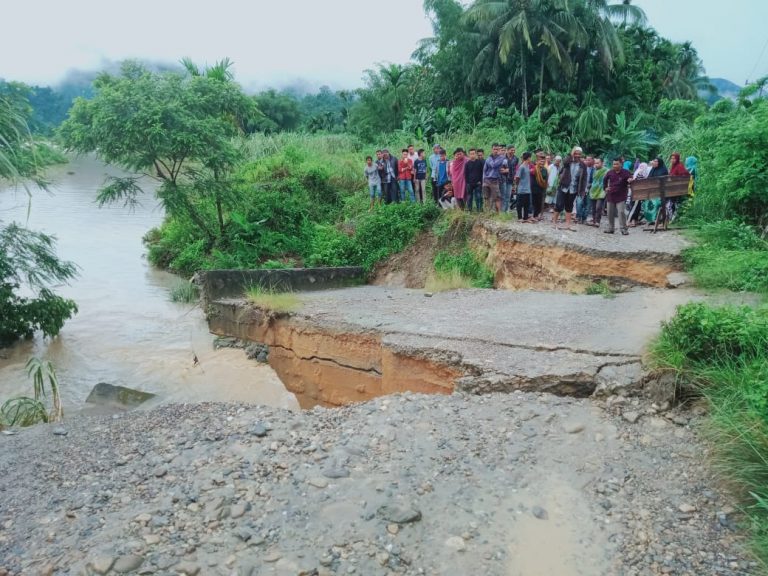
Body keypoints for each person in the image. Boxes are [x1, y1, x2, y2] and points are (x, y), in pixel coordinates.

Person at [553, 147, 587, 231]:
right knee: (559, 205)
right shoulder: (568, 162)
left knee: (569, 205)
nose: (577, 155)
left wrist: (582, 191)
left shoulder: (582, 165)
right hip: (563, 186)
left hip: (574, 188)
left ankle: (568, 224)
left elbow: (584, 179)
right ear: (573, 153)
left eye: (579, 154)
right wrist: (571, 155)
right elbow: (564, 162)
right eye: (575, 153)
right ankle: (554, 222)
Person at [603, 157, 633, 235]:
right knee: (610, 213)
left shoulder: (626, 172)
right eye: (614, 164)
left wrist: (630, 180)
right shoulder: (610, 172)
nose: (615, 165)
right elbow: (605, 180)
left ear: (621, 164)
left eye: (617, 164)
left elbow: (630, 178)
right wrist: (605, 188)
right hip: (611, 195)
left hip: (621, 196)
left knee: (621, 212)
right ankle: (610, 228)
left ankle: (623, 229)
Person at [482, 143, 505, 213]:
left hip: (495, 180)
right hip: (486, 180)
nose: (496, 151)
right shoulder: (488, 158)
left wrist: (490, 162)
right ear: (492, 149)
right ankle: (487, 212)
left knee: (497, 198)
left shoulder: (501, 157)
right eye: (494, 149)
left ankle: (499, 214)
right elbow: (485, 169)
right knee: (486, 197)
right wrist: (484, 179)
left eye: (497, 149)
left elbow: (494, 165)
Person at [627, 162, 650, 226]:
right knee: (635, 207)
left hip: (637, 193)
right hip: (637, 193)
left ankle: (635, 220)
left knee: (637, 207)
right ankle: (629, 221)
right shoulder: (641, 173)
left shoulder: (637, 172)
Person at [588, 158, 608, 227]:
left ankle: (597, 221)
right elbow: (591, 180)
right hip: (593, 190)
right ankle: (594, 221)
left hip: (601, 190)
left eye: (597, 163)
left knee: (598, 207)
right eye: (595, 163)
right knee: (593, 208)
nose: (596, 164)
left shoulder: (606, 171)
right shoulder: (593, 170)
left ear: (602, 163)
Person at [576, 155, 595, 224]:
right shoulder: (581, 168)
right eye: (586, 160)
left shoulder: (594, 170)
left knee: (587, 205)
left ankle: (584, 218)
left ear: (593, 161)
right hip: (581, 189)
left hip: (590, 190)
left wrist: (590, 184)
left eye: (589, 160)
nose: (587, 161)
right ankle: (578, 217)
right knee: (579, 203)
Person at [515, 152, 533, 222]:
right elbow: (517, 177)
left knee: (526, 204)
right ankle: (520, 218)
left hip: (527, 189)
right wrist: (517, 185)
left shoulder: (528, 166)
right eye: (530, 157)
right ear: (528, 158)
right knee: (519, 204)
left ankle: (525, 217)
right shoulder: (521, 167)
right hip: (521, 189)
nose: (531, 159)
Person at [464, 148, 484, 213]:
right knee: (469, 197)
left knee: (478, 197)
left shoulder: (479, 162)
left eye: (473, 153)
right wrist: (467, 182)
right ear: (469, 155)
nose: (472, 155)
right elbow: (466, 174)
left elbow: (482, 173)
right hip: (470, 183)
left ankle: (479, 210)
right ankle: (470, 210)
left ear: (475, 154)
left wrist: (480, 181)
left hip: (478, 183)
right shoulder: (467, 164)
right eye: (471, 154)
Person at [531, 154, 548, 221]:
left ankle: (536, 215)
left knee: (539, 202)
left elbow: (546, 180)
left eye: (543, 162)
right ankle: (534, 215)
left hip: (541, 188)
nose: (542, 163)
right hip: (534, 187)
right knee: (534, 202)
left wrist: (545, 187)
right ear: (538, 162)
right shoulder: (535, 169)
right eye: (541, 161)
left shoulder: (545, 170)